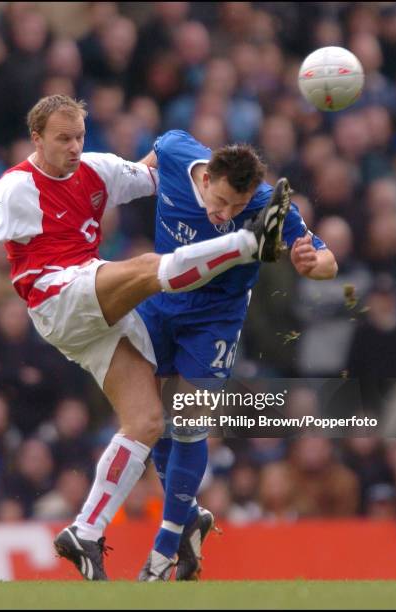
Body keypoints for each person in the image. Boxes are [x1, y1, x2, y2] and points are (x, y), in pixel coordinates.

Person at [0, 95, 291, 581]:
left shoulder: (97, 169)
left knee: (148, 419)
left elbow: (165, 177)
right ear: (37, 139)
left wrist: (218, 183)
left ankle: (86, 532)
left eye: (79, 137)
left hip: (93, 314)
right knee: (151, 268)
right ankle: (250, 244)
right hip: (57, 296)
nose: (73, 147)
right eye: (62, 139)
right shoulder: (16, 186)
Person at [135, 130, 338, 580]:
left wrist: (311, 264)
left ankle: (163, 550)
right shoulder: (173, 151)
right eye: (219, 200)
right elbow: (137, 173)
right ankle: (189, 523)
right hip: (160, 301)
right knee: (150, 421)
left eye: (234, 207)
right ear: (206, 178)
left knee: (187, 420)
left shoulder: (267, 205)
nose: (223, 214)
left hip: (216, 319)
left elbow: (327, 261)